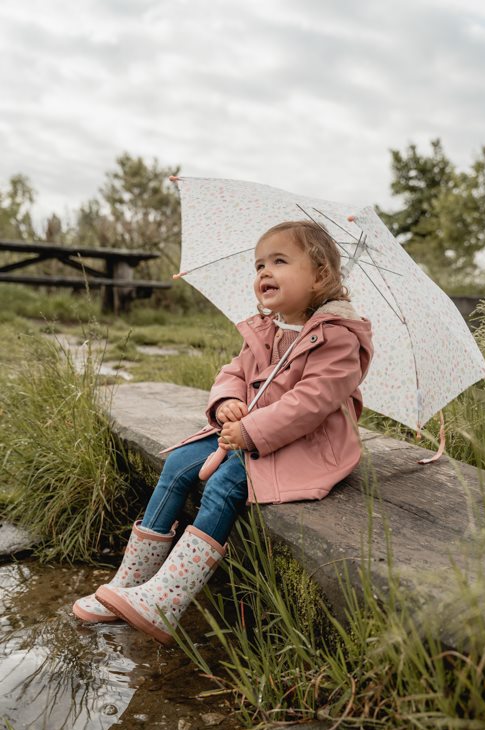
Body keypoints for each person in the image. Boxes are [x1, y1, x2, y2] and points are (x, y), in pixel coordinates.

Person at [72, 220, 373, 644]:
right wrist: (226, 401)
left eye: (280, 261)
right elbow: (233, 371)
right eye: (259, 265)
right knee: (178, 464)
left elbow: (310, 404)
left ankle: (167, 599)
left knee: (229, 480)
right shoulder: (267, 328)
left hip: (305, 443)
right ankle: (130, 581)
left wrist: (250, 430)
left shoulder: (338, 340)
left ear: (320, 275)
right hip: (248, 431)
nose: (264, 272)